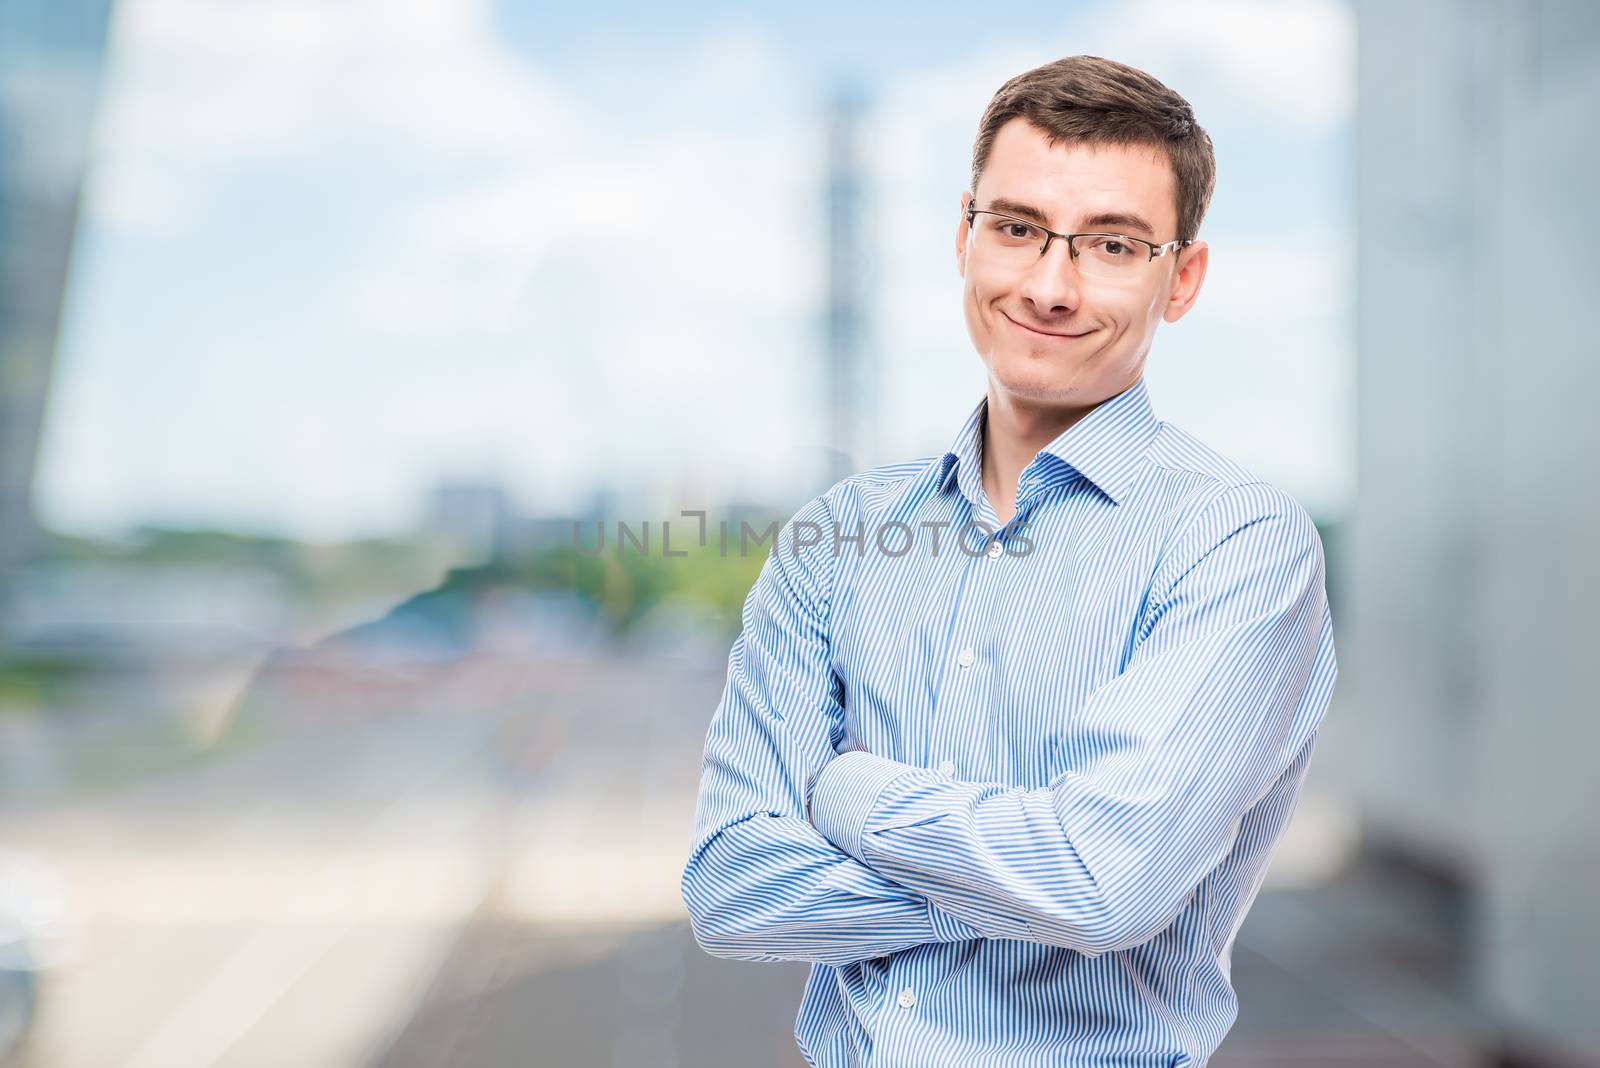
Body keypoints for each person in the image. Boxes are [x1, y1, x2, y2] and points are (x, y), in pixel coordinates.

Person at [680, 53, 1337, 1068]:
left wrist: (842, 794)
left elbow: (1108, 886)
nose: (1049, 285)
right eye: (1018, 228)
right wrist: (1031, 867)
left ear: (1183, 278)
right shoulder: (837, 538)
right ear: (964, 235)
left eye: (1111, 243)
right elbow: (732, 885)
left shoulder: (1236, 543)